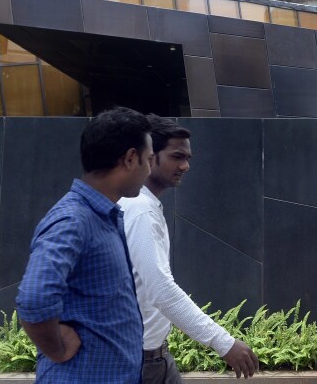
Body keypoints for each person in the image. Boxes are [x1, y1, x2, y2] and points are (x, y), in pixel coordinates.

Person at [16, 106, 153, 383]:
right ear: (130, 158)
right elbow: (33, 298)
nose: (149, 170)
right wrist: (56, 347)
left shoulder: (101, 215)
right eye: (148, 159)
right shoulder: (73, 220)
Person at [119, 115, 258, 382]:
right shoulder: (139, 211)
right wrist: (224, 343)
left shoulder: (142, 206)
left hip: (153, 358)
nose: (185, 166)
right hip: (139, 364)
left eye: (188, 158)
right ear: (149, 156)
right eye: (177, 156)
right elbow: (161, 289)